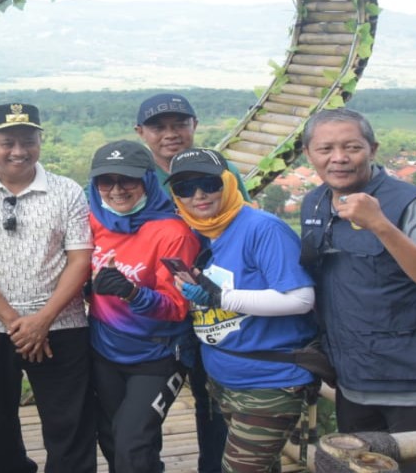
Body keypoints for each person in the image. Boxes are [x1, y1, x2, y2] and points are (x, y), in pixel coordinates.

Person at [299, 109, 416, 473]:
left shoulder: (412, 203)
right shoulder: (314, 202)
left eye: (351, 147)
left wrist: (379, 224)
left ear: (372, 149)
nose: (338, 158)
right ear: (308, 154)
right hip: (353, 380)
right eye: (325, 148)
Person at [0, 103, 96, 473]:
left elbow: (80, 260)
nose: (18, 151)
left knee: (70, 425)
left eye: (28, 141)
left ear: (41, 140)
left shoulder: (66, 190)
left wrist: (42, 319)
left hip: (61, 324)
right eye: (7, 141)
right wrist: (17, 322)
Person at [169, 148, 317, 473]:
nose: (198, 195)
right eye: (184, 188)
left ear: (228, 182)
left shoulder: (262, 229)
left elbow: (301, 298)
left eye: (208, 183)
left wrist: (223, 299)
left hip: (269, 380)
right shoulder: (199, 232)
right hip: (224, 378)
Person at [135, 92, 246, 473]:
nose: (171, 134)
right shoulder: (135, 177)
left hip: (212, 305)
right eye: (158, 126)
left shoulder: (219, 170)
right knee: (143, 407)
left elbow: (242, 224)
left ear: (194, 126)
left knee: (211, 399)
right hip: (150, 309)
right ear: (140, 132)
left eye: (180, 124)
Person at [85, 141, 200, 473]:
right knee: (112, 437)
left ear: (148, 179)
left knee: (131, 440)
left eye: (128, 180)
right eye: (106, 181)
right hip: (105, 350)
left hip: (158, 356)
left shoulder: (173, 233)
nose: (117, 190)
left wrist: (133, 293)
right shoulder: (94, 220)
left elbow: (179, 307)